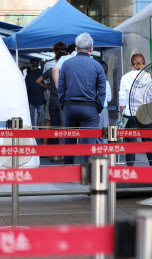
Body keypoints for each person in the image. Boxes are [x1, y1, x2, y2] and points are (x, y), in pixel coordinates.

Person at [58, 33, 106, 164]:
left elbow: (61, 88)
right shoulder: (97, 66)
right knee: (88, 143)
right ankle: (87, 173)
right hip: (90, 108)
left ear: (76, 49)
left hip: (70, 106)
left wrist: (64, 105)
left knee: (69, 140)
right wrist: (99, 107)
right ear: (92, 49)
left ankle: (68, 170)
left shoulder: (66, 64)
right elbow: (101, 90)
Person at [118, 53, 152, 166]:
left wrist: (123, 113)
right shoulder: (150, 77)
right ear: (144, 64)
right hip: (146, 114)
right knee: (149, 142)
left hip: (130, 115)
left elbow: (122, 98)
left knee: (130, 144)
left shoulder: (125, 77)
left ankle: (130, 169)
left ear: (131, 64)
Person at [37, 49, 66, 162]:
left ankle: (55, 154)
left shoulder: (50, 70)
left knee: (54, 126)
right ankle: (64, 153)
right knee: (65, 127)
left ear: (55, 59)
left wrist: (49, 87)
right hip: (64, 100)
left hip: (53, 99)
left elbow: (38, 81)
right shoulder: (67, 70)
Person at [42, 41, 67, 146]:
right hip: (65, 97)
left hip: (52, 97)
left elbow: (44, 81)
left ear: (54, 52)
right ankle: (63, 148)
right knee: (65, 123)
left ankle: (46, 147)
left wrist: (50, 86)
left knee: (50, 122)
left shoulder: (48, 64)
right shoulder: (69, 63)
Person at [25, 58, 45, 132]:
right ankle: (42, 134)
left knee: (32, 119)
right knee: (41, 118)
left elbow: (27, 88)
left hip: (31, 99)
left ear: (30, 66)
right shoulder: (42, 74)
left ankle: (34, 135)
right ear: (38, 65)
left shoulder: (28, 75)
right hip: (41, 98)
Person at [96, 60, 112, 144]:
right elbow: (109, 98)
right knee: (104, 131)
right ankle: (104, 154)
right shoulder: (107, 83)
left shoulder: (92, 82)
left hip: (93, 108)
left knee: (94, 131)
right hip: (104, 109)